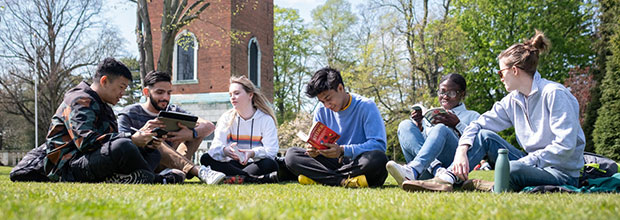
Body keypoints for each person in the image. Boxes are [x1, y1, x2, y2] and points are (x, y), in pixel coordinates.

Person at [402, 30, 585, 192]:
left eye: (500, 72)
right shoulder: (513, 100)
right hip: (533, 163)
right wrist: (461, 150)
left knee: (511, 169)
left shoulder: (554, 94)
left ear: (514, 70)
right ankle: (447, 179)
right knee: (485, 136)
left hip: (560, 172)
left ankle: (490, 183)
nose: (500, 78)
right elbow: (478, 124)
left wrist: (522, 162)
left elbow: (565, 146)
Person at [44, 57, 160, 184]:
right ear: (104, 81)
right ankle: (154, 179)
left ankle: (139, 177)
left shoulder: (104, 106)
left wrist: (144, 143)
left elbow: (109, 142)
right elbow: (85, 142)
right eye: (121, 87)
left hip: (92, 160)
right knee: (123, 146)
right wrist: (131, 138)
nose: (123, 93)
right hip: (68, 168)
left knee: (153, 153)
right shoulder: (79, 100)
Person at [284, 67, 389, 188]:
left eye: (328, 99)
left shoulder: (366, 106)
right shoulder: (321, 110)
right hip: (332, 162)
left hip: (357, 161)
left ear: (340, 88)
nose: (327, 105)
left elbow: (379, 145)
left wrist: (343, 150)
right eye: (322, 101)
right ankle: (343, 181)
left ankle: (321, 178)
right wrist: (313, 150)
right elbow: (317, 140)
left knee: (378, 159)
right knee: (291, 155)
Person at [117, 71, 225, 184]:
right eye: (160, 92)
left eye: (169, 93)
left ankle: (177, 172)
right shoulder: (129, 113)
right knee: (156, 138)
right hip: (144, 162)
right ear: (146, 92)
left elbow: (209, 126)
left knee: (196, 131)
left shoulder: (173, 110)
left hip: (171, 162)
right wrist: (142, 136)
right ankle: (198, 171)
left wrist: (191, 133)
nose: (165, 97)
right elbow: (122, 145)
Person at [386, 73, 480, 187]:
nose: (445, 96)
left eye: (451, 93)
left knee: (441, 128)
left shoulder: (472, 116)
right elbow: (420, 145)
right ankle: (432, 169)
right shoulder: (431, 114)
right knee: (405, 125)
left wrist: (457, 124)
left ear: (462, 94)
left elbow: (479, 144)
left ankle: (437, 172)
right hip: (425, 170)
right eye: (442, 92)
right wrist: (419, 125)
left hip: (452, 169)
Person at [200, 76, 279, 184]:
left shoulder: (266, 119)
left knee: (270, 164)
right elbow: (215, 148)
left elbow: (271, 151)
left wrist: (252, 153)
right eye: (230, 95)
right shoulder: (226, 118)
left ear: (250, 95)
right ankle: (251, 179)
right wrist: (225, 151)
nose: (232, 97)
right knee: (206, 158)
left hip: (254, 164)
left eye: (236, 93)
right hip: (232, 163)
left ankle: (234, 178)